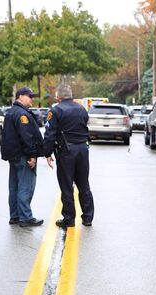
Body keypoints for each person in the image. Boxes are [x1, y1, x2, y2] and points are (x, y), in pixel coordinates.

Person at [43, 84, 94, 228]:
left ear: (58, 97)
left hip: (66, 151)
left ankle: (69, 218)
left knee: (67, 186)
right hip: (83, 149)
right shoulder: (82, 109)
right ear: (70, 95)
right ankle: (88, 217)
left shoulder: (56, 110)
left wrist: (47, 152)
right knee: (84, 184)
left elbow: (50, 133)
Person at [1, 87, 45, 227]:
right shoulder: (22, 114)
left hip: (13, 156)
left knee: (14, 187)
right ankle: (25, 217)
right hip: (23, 155)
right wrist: (32, 154)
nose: (32, 99)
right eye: (29, 96)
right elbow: (26, 137)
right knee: (26, 186)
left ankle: (15, 216)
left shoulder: (11, 112)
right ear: (20, 97)